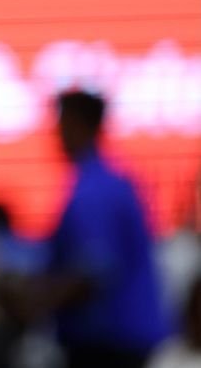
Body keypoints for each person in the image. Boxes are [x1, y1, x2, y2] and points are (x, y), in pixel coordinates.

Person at [43, 91, 169, 367]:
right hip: (118, 340)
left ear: (79, 125)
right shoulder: (111, 181)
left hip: (110, 344)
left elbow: (94, 272)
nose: (56, 134)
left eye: (61, 123)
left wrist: (36, 301)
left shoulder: (95, 190)